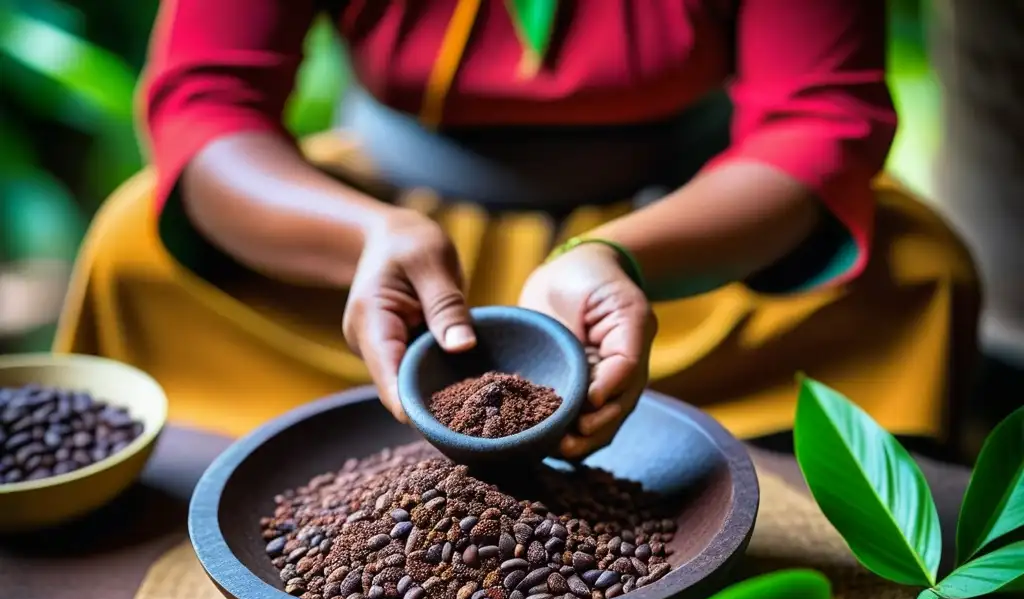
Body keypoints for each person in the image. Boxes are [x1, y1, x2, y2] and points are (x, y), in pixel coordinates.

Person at [55, 0, 978, 455]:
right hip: (386, 233)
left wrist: (623, 255)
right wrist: (363, 241)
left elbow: (821, 117)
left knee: (917, 268)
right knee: (135, 242)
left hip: (680, 232)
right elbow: (206, 102)